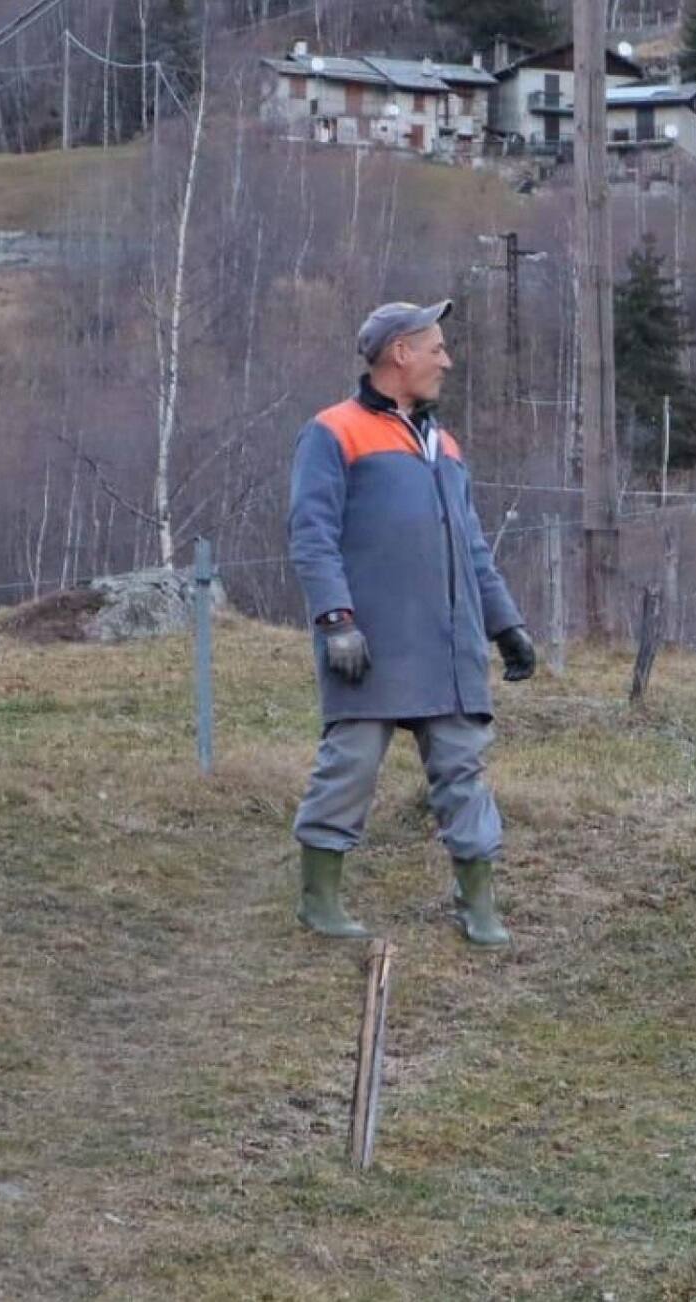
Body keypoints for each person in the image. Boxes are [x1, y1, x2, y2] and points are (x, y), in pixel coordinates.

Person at [286, 300, 536, 946]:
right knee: (349, 768)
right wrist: (336, 619)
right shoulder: (332, 431)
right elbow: (311, 535)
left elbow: (473, 547)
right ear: (400, 353)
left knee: (464, 773)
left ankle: (477, 905)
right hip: (368, 644)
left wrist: (505, 624)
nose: (446, 361)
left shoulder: (444, 446)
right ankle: (320, 901)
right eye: (437, 348)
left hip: (449, 648)